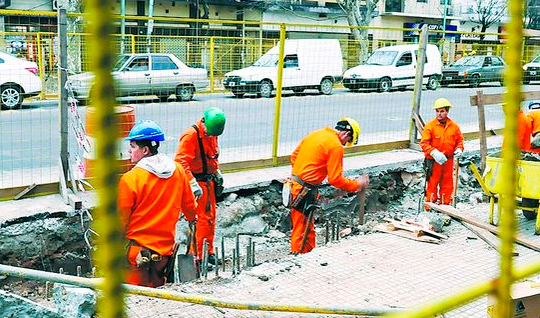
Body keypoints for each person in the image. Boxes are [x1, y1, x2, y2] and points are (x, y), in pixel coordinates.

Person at [118, 120, 197, 287]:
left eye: (132, 147)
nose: (128, 151)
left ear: (145, 150)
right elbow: (190, 207)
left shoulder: (131, 179)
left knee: (136, 299)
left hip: (137, 255)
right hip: (164, 255)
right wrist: (191, 220)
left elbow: (120, 221)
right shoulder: (178, 171)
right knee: (158, 295)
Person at [289, 117, 369, 254]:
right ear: (346, 134)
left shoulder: (317, 134)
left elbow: (294, 156)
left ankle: (308, 255)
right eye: (347, 141)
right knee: (302, 230)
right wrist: (356, 185)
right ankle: (298, 260)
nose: (345, 144)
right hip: (304, 190)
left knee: (306, 226)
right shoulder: (335, 146)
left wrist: (301, 175)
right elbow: (335, 179)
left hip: (296, 185)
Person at [175, 107, 226, 269]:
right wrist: (191, 183)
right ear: (203, 122)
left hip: (208, 182)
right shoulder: (191, 136)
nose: (213, 137)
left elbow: (211, 155)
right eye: (211, 134)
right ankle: (197, 257)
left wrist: (216, 171)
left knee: (210, 219)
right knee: (200, 220)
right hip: (198, 183)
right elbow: (181, 161)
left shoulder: (211, 133)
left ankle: (208, 251)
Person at [420, 98, 464, 206]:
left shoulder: (454, 126)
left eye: (442, 111)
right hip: (434, 162)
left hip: (448, 160)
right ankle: (430, 206)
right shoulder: (430, 126)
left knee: (447, 184)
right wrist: (434, 152)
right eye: (437, 111)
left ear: (447, 112)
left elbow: (459, 140)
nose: (439, 114)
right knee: (432, 184)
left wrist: (459, 149)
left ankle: (445, 205)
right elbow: (424, 143)